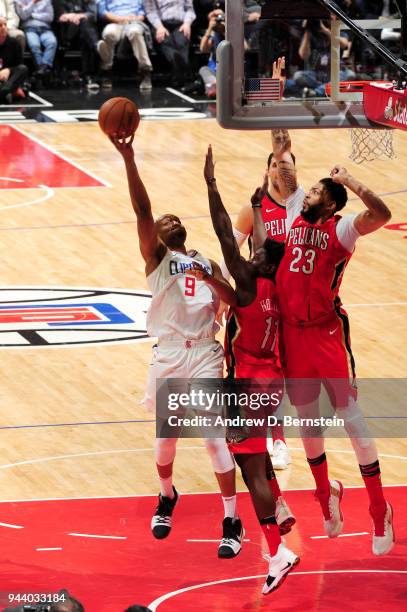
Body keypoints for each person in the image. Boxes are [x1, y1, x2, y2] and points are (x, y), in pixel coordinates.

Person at [110, 134, 244, 560]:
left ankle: (231, 519)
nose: (166, 220)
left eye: (172, 218)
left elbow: (232, 297)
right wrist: (129, 157)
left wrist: (210, 277)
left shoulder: (206, 261)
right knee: (166, 438)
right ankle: (167, 495)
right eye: (161, 221)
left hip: (204, 351)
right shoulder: (156, 260)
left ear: (182, 230)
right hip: (168, 352)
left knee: (212, 438)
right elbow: (142, 209)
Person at [271, 128, 394, 555]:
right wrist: (278, 135)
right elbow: (284, 169)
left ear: (331, 200)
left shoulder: (342, 230)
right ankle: (327, 497)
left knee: (352, 419)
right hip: (292, 335)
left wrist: (351, 182)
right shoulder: (292, 214)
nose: (306, 195)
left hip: (325, 333)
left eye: (316, 191)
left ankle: (380, 509)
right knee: (308, 424)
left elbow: (382, 213)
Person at [204, 144, 300, 596]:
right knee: (255, 462)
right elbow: (262, 244)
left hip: (249, 384)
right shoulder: (274, 281)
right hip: (271, 377)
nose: (252, 251)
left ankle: (278, 551)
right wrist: (261, 203)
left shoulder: (246, 282)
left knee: (250, 470)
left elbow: (226, 234)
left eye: (258, 252)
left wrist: (211, 186)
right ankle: (278, 519)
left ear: (261, 262)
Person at [219, 84, 292, 470]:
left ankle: (277, 440)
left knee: (277, 372)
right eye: (276, 165)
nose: (280, 170)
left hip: (287, 301)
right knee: (244, 372)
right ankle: (253, 434)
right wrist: (221, 298)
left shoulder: (300, 209)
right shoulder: (254, 208)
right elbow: (230, 251)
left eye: (286, 165)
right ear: (266, 171)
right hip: (255, 302)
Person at [97, 0, 153, 91]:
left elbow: (143, 13)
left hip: (134, 22)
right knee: (109, 33)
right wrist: (121, 19)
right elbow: (102, 12)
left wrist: (135, 19)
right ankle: (106, 70)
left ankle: (145, 70)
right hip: (115, 22)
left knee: (134, 32)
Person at [145, 0, 196, 87]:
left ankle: (180, 74)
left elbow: (190, 10)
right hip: (161, 24)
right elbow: (150, 11)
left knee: (181, 42)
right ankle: (182, 75)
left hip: (181, 23)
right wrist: (159, 27)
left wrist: (187, 23)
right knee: (167, 43)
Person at [54, 0, 101, 91]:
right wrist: (70, 16)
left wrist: (80, 16)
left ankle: (88, 75)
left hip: (82, 30)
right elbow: (58, 16)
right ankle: (97, 46)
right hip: (65, 30)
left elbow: (93, 14)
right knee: (85, 30)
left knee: (84, 32)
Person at [16, 0, 57, 76]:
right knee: (34, 45)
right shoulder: (19, 1)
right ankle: (42, 68)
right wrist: (33, 2)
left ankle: (43, 67)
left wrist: (32, 15)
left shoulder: (46, 1)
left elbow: (50, 17)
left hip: (45, 28)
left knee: (52, 42)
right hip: (29, 28)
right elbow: (23, 16)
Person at [0, 15, 28, 103]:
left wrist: (8, 70)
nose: (4, 28)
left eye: (5, 25)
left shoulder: (14, 43)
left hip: (9, 80)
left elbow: (19, 65)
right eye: (0, 25)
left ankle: (5, 91)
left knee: (23, 69)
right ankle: (8, 93)